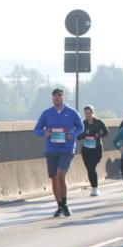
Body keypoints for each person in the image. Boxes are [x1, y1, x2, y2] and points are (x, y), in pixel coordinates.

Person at [33, 88, 83, 217]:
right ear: (52, 98)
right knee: (54, 179)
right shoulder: (47, 113)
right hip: (51, 149)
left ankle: (65, 203)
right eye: (55, 96)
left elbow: (80, 127)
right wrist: (45, 133)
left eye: (59, 96)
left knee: (61, 175)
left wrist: (72, 134)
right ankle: (60, 206)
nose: (57, 98)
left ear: (63, 98)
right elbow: (37, 129)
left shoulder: (72, 113)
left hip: (66, 148)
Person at [77, 105, 109, 196]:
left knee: (91, 167)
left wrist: (99, 134)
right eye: (86, 113)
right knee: (89, 169)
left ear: (92, 113)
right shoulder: (83, 124)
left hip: (97, 149)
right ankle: (94, 187)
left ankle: (95, 188)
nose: (87, 115)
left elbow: (106, 132)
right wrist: (84, 134)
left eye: (89, 113)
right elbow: (78, 137)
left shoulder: (98, 122)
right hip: (86, 150)